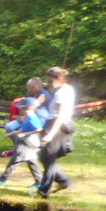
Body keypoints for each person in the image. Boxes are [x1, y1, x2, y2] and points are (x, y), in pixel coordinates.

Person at [37, 67, 76, 198]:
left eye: (50, 81)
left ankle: (43, 192)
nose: (48, 83)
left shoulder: (62, 93)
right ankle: (64, 182)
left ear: (59, 78)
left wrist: (50, 134)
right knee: (45, 158)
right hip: (55, 125)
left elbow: (59, 116)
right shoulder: (65, 89)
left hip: (58, 128)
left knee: (49, 159)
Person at [0, 97, 42, 187]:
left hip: (27, 143)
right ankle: (39, 182)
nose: (19, 109)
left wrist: (25, 134)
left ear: (29, 108)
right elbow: (22, 129)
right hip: (31, 144)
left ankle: (3, 179)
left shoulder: (32, 118)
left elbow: (39, 129)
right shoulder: (28, 117)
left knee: (15, 161)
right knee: (32, 163)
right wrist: (12, 133)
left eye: (22, 107)